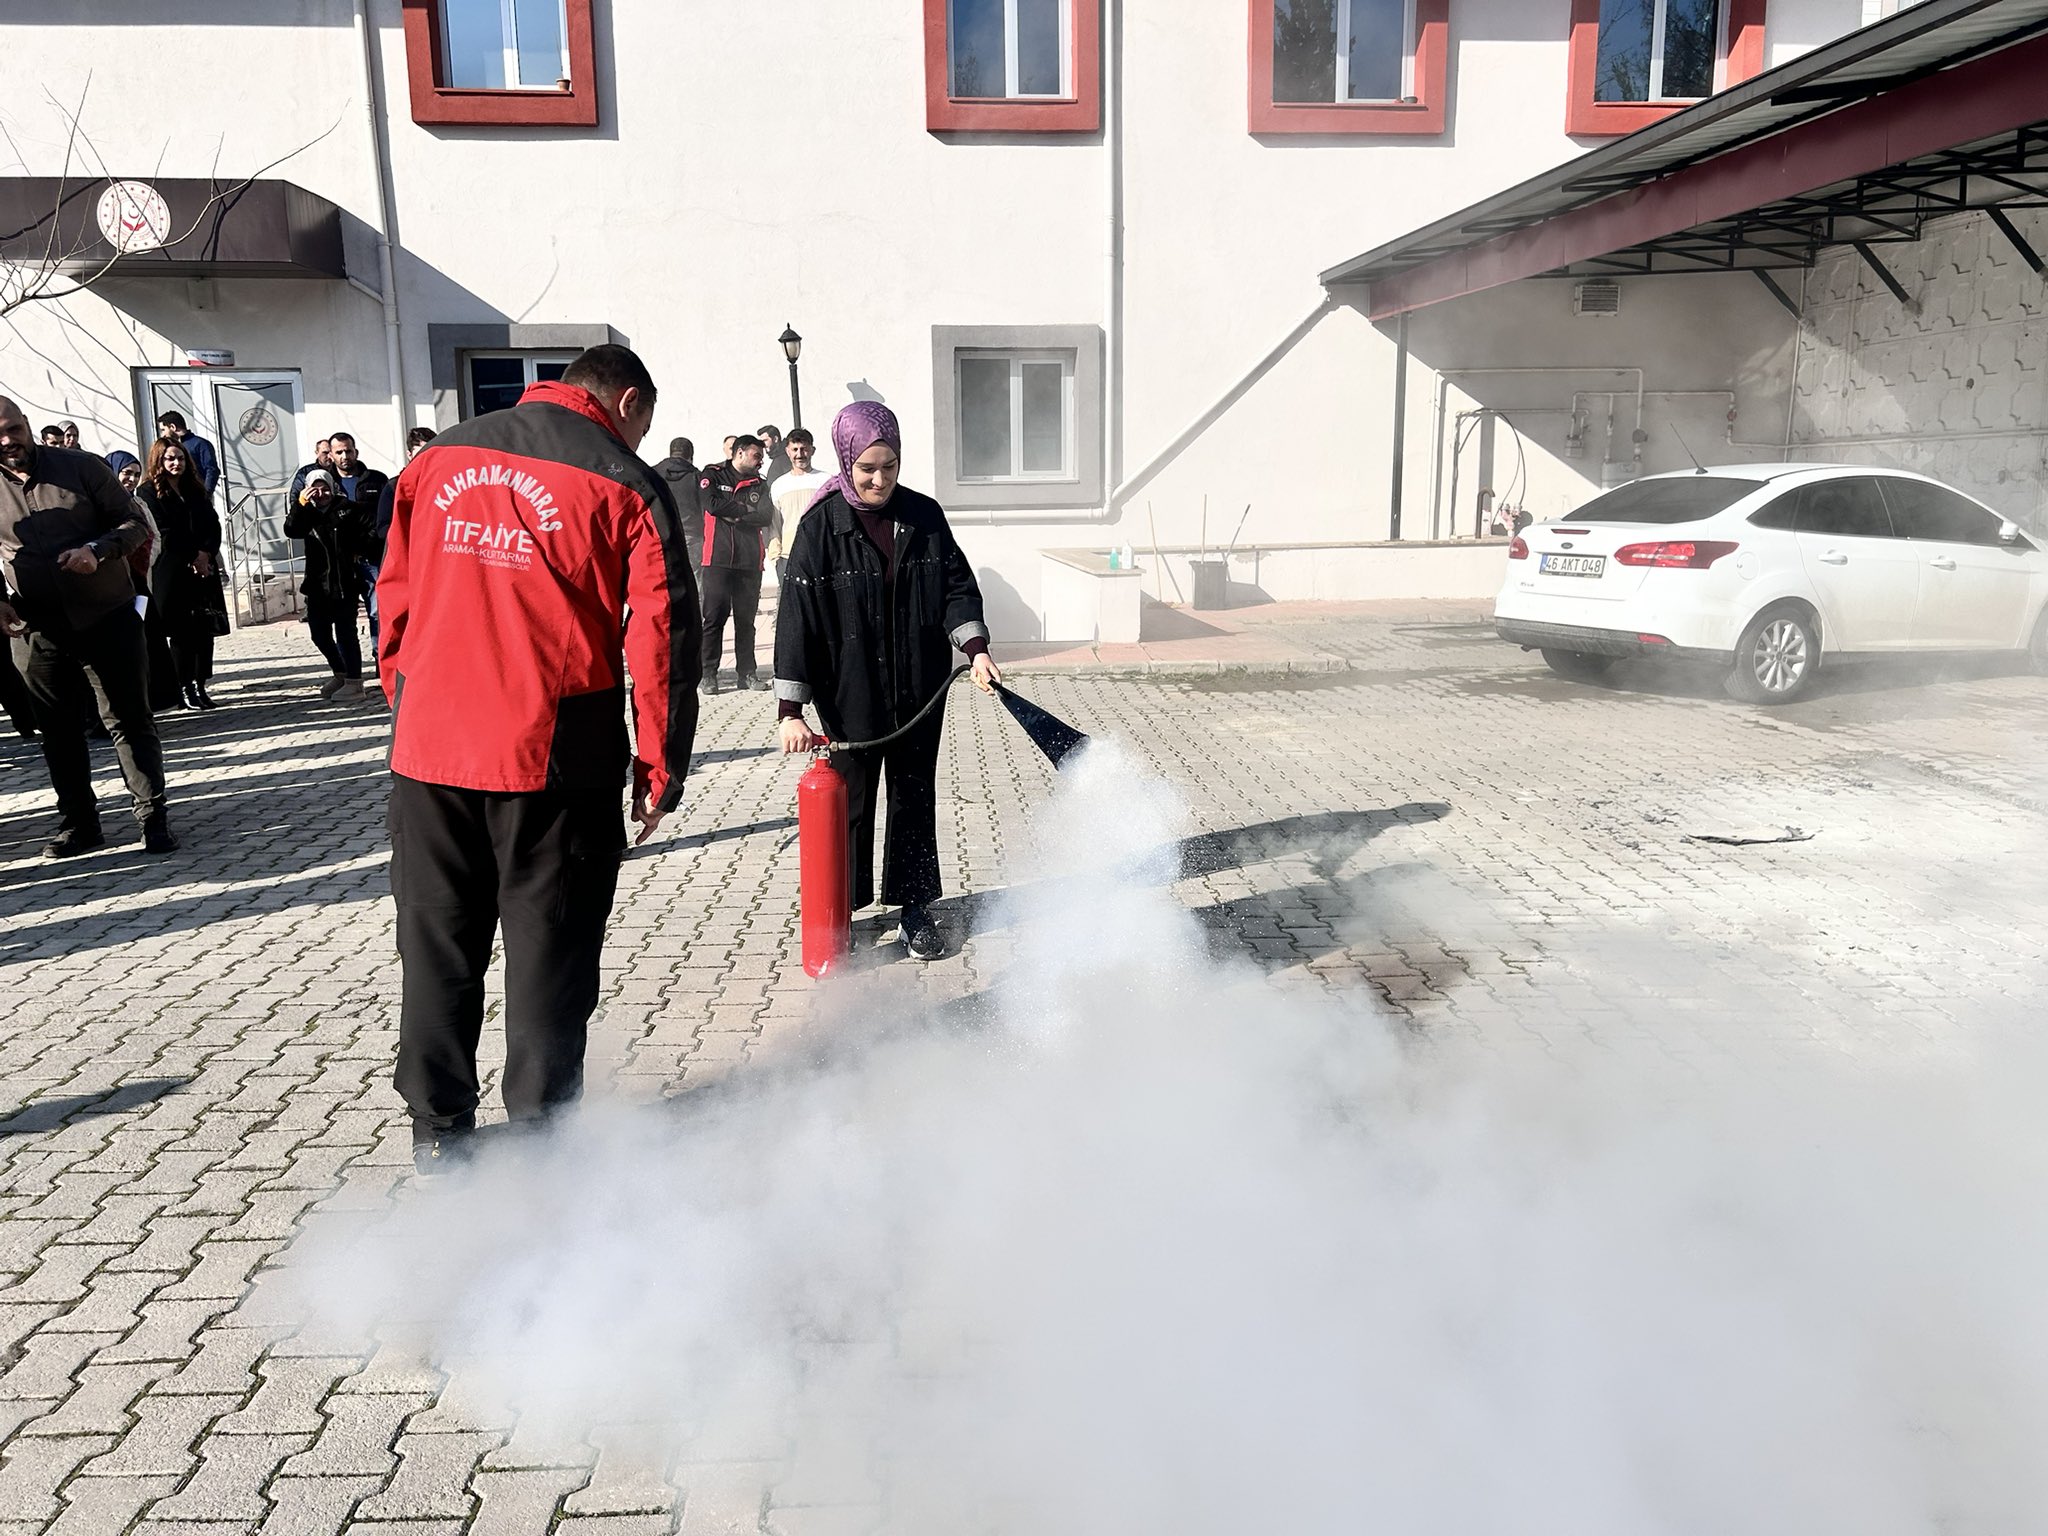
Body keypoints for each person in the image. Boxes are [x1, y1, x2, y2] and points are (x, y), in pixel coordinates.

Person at [377, 343, 698, 1173]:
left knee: (436, 944)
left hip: (429, 753)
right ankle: (542, 1145)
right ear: (627, 401)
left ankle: (439, 1136)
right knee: (548, 956)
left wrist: (408, 701)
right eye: (645, 423)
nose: (641, 438)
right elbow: (659, 638)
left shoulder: (438, 455)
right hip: (552, 760)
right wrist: (660, 762)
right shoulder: (626, 482)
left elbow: (395, 596)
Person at [774, 402, 996, 962]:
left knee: (914, 796)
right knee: (849, 802)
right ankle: (840, 912)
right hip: (849, 691)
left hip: (919, 688)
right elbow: (796, 617)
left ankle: (915, 909)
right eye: (867, 468)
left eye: (889, 467)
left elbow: (956, 587)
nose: (878, 480)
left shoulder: (924, 516)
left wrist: (975, 649)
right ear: (847, 461)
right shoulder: (820, 527)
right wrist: (791, 710)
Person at [0, 394, 176, 856]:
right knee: (57, 730)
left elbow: (135, 524)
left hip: (108, 616)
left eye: (12, 428)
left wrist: (96, 551)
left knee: (127, 719)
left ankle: (151, 817)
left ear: (27, 423)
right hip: (36, 626)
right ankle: (79, 823)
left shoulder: (81, 467)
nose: (6, 441)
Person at [136, 438, 226, 710]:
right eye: (170, 459)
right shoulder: (149, 492)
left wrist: (206, 553)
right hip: (172, 569)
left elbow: (213, 524)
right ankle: (183, 686)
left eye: (181, 459)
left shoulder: (195, 489)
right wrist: (193, 555)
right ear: (159, 461)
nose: (177, 464)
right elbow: (163, 530)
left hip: (203, 568)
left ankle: (200, 684)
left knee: (203, 630)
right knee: (180, 631)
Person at [285, 469, 370, 701]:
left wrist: (357, 552)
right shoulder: (307, 512)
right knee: (319, 634)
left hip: (344, 583)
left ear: (332, 488)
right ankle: (340, 672)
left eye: (325, 488)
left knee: (346, 634)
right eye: (315, 488)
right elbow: (291, 530)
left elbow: (366, 532)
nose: (321, 493)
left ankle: (355, 682)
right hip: (317, 585)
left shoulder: (347, 509)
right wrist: (300, 504)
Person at [697, 434, 772, 694]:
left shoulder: (760, 484)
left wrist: (737, 517)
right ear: (739, 453)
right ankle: (708, 674)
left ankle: (747, 674)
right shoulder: (713, 475)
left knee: (746, 620)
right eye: (756, 456)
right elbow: (711, 504)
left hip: (749, 561)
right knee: (714, 618)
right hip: (717, 559)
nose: (760, 461)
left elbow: (765, 515)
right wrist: (743, 510)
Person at [767, 428, 828, 586]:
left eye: (804, 449)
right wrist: (776, 558)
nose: (799, 454)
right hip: (789, 558)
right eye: (795, 449)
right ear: (788, 451)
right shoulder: (778, 485)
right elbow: (774, 525)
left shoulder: (826, 482)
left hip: (821, 556)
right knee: (790, 609)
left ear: (812, 450)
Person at [650, 436, 703, 574]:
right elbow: (704, 509)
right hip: (691, 535)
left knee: (662, 577)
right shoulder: (697, 477)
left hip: (659, 534)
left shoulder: (652, 473)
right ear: (690, 456)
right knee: (695, 579)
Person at [155, 411, 220, 495]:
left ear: (172, 427)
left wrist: (206, 493)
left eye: (163, 430)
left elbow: (211, 469)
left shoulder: (200, 444)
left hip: (197, 495)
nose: (163, 434)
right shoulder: (174, 446)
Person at [288, 437, 335, 505]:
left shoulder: (339, 471)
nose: (329, 456)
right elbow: (295, 497)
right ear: (317, 453)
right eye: (325, 453)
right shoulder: (305, 472)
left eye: (331, 453)